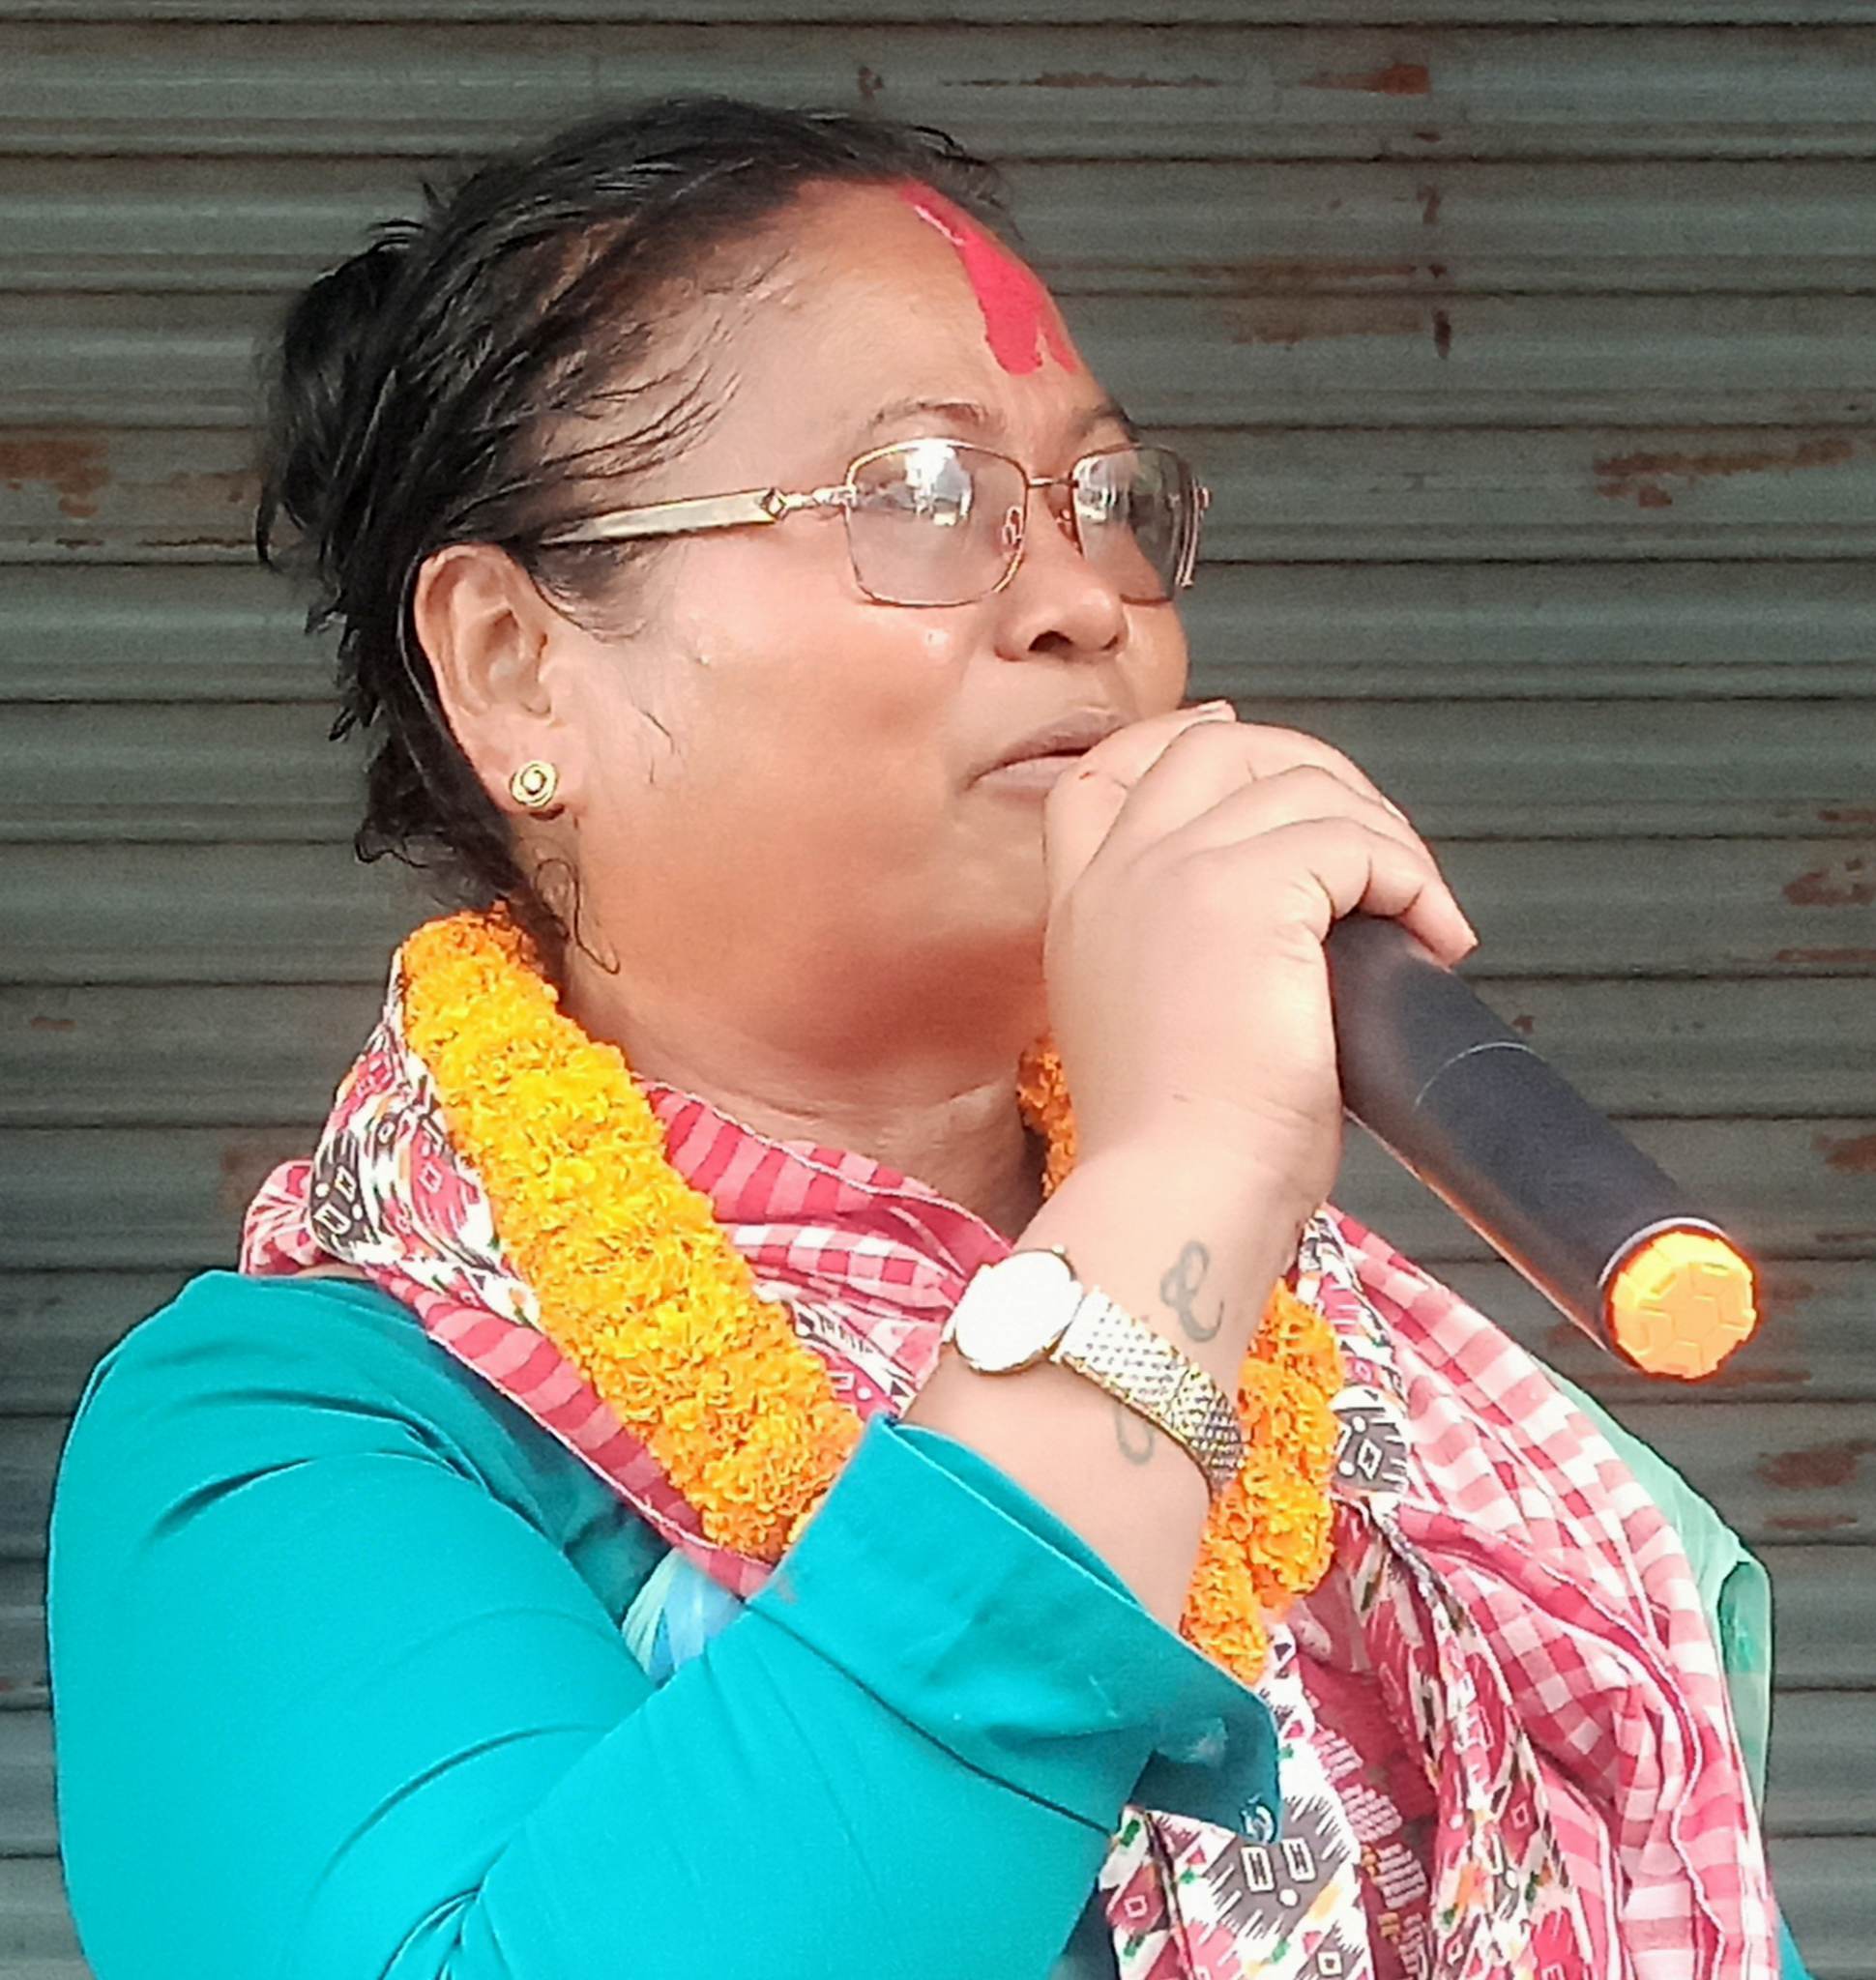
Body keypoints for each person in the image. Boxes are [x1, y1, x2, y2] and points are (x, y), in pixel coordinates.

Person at [47, 98, 1804, 1980]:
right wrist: (1182, 1183)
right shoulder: (288, 1439)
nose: (1083, 605)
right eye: (921, 497)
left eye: (1109, 502)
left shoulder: (1422, 1426)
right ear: (516, 666)